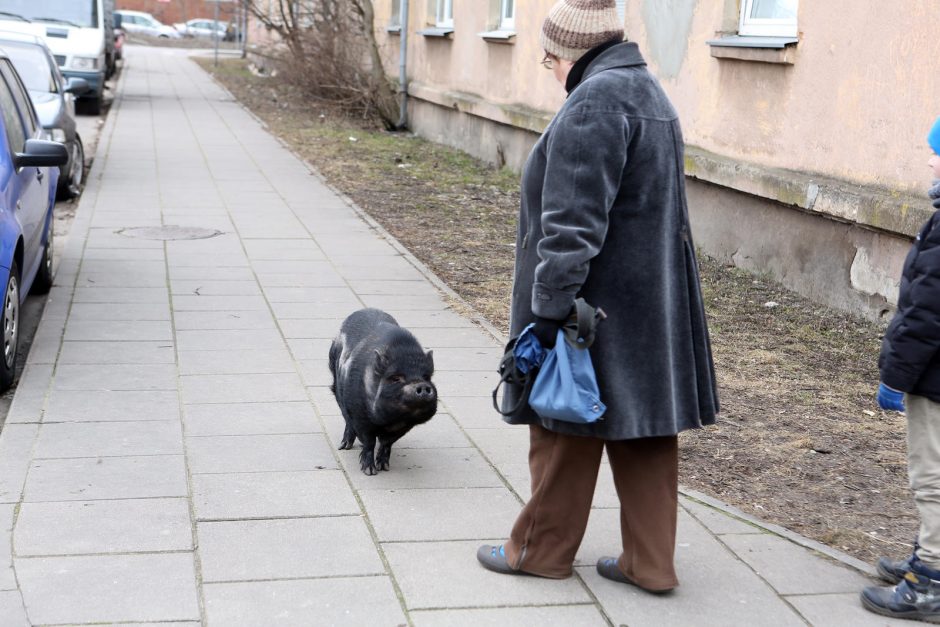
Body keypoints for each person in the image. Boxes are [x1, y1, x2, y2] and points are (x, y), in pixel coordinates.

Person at [476, 0, 719, 593]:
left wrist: (548, 311)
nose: (549, 71)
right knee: (643, 431)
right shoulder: (647, 92)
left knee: (561, 421)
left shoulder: (594, 103)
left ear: (569, 54)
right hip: (646, 304)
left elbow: (571, 225)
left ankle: (539, 552)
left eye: (549, 59)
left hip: (591, 307)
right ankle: (651, 564)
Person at [862, 117, 940, 622]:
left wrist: (895, 375)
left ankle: (929, 582)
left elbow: (926, 314)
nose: (931, 159)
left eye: (938, 151)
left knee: (932, 478)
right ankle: (925, 557)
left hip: (934, 381)